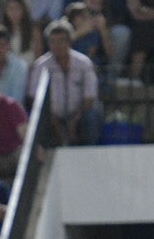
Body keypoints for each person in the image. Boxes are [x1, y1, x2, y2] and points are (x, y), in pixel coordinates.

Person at [30, 20, 101, 148]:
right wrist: (55, 122)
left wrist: (74, 121)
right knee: (36, 119)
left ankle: (90, 151)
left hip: (79, 114)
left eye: (61, 40)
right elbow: (35, 98)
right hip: (51, 116)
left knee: (92, 117)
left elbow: (90, 97)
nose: (57, 45)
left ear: (69, 41)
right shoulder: (41, 66)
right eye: (53, 41)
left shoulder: (84, 63)